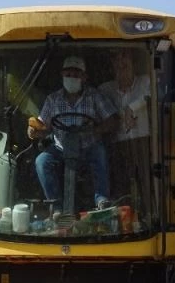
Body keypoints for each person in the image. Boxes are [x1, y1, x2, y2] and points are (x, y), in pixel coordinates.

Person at [27, 56, 117, 212]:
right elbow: (43, 126)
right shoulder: (52, 99)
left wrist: (95, 130)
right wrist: (34, 131)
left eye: (76, 75)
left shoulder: (94, 96)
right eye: (68, 75)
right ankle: (56, 207)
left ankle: (102, 199)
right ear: (62, 76)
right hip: (60, 148)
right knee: (42, 161)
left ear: (84, 77)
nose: (71, 78)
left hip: (88, 146)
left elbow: (112, 121)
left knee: (100, 152)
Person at [99, 48, 152, 214]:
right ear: (111, 65)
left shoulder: (147, 82)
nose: (121, 63)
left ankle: (148, 215)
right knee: (121, 188)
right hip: (117, 146)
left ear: (133, 62)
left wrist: (132, 107)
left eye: (125, 57)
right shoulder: (104, 89)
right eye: (117, 59)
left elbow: (151, 95)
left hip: (144, 143)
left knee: (147, 185)